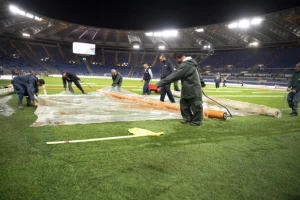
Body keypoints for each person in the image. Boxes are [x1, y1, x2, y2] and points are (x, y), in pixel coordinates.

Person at [156, 51, 203, 126]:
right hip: (187, 86)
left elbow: (175, 75)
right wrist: (202, 82)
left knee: (195, 104)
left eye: (177, 60)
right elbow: (197, 73)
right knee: (184, 103)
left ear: (179, 58)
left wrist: (160, 83)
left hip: (193, 87)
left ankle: (197, 121)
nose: (177, 62)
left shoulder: (186, 64)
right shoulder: (191, 63)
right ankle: (188, 118)